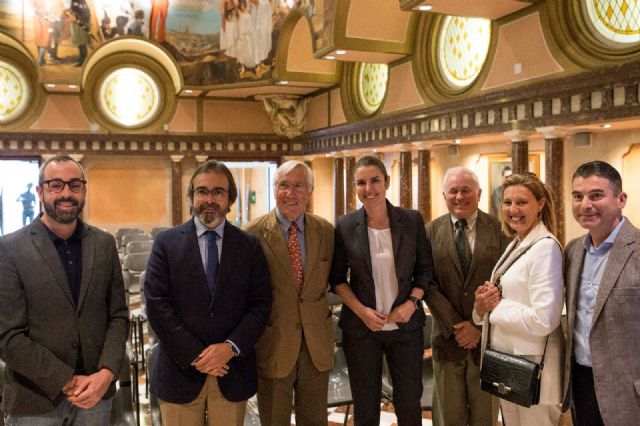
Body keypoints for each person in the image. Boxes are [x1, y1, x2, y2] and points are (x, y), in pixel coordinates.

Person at [0, 155, 129, 425]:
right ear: (40, 191)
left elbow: (118, 316)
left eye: (74, 185)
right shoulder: (9, 249)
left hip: (96, 395)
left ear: (84, 189)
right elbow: (8, 336)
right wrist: (66, 380)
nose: (66, 193)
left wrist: (106, 374)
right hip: (34, 400)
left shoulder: (104, 244)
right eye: (56, 185)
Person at [145, 160, 272, 426]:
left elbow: (260, 305)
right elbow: (157, 306)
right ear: (192, 198)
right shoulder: (166, 243)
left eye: (218, 192)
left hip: (231, 370)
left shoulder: (249, 246)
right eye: (202, 191)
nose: (209, 199)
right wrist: (197, 356)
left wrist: (230, 348)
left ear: (230, 200)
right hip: (180, 372)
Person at [329, 155, 432, 426]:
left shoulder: (411, 220)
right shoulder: (345, 225)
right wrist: (362, 312)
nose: (368, 188)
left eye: (375, 180)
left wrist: (411, 303)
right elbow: (337, 280)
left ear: (386, 182)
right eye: (361, 183)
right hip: (362, 331)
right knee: (366, 407)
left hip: (406, 330)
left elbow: (425, 271)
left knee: (409, 405)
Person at [245, 160, 334, 426]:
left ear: (310, 190)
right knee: (274, 420)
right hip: (274, 343)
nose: (290, 193)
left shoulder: (326, 231)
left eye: (298, 186)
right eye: (283, 185)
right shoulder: (253, 234)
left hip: (316, 345)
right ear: (274, 189)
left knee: (315, 420)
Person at [474, 172, 564, 426]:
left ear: (541, 204)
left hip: (534, 369)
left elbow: (544, 319)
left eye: (522, 202)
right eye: (507, 202)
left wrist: (496, 307)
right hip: (509, 364)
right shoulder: (517, 243)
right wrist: (481, 305)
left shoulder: (545, 247)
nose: (513, 209)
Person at [425, 167, 510, 426]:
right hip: (447, 340)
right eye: (453, 191)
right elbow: (427, 283)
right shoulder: (430, 231)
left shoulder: (499, 230)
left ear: (479, 194)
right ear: (444, 195)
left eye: (466, 190)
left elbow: (506, 281)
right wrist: (457, 327)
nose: (459, 196)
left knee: (485, 417)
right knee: (448, 418)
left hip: (487, 342)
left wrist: (477, 326)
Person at [562, 161, 640, 425]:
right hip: (582, 384)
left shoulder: (638, 249)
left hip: (630, 391)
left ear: (621, 199)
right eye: (577, 196)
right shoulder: (573, 251)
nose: (586, 204)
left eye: (596, 195)